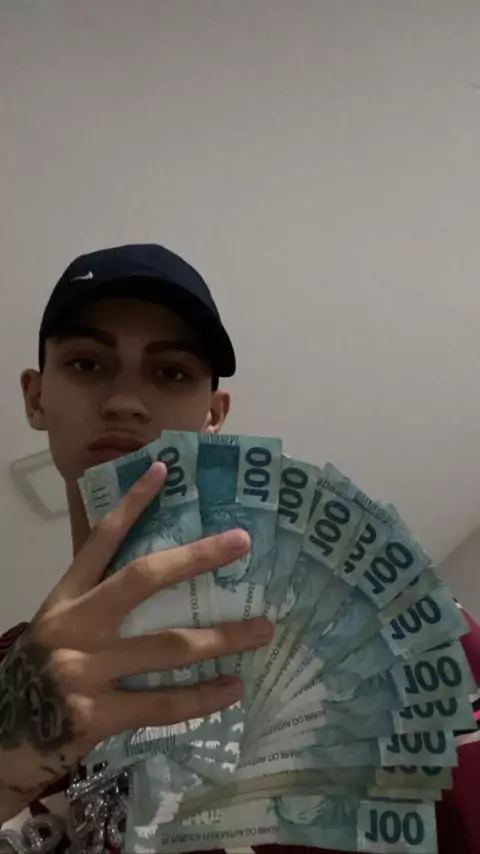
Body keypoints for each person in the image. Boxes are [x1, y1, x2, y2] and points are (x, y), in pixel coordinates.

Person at [0, 243, 479, 854]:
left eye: (171, 372)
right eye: (87, 363)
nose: (124, 401)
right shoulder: (7, 672)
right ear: (36, 397)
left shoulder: (395, 629)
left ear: (214, 414)